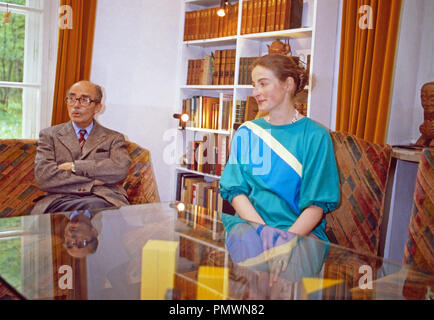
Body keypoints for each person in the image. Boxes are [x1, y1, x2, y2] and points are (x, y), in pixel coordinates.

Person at [219, 54, 340, 242]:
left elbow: (317, 205)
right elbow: (236, 192)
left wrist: (285, 240)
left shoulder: (316, 136)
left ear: (288, 84)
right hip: (251, 228)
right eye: (253, 85)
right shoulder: (247, 132)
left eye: (263, 83)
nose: (255, 92)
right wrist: (263, 232)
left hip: (300, 233)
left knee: (289, 266)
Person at [31, 80, 131, 214]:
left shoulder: (113, 138)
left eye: (84, 100)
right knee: (88, 208)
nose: (76, 105)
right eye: (71, 99)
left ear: (98, 107)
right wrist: (93, 181)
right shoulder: (49, 135)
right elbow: (44, 177)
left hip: (102, 197)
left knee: (99, 207)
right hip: (60, 199)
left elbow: (120, 170)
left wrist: (75, 166)